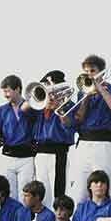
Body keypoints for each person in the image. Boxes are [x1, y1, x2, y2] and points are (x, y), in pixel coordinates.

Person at [68, 55, 111, 203]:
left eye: (92, 71)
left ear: (102, 72)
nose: (89, 75)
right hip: (83, 143)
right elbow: (78, 118)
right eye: (86, 71)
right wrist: (86, 96)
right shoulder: (83, 92)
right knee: (79, 191)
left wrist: (101, 90)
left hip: (103, 144)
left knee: (103, 190)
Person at [32, 70, 77, 208]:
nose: (47, 89)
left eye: (50, 85)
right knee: (41, 190)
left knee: (58, 190)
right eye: (45, 85)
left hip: (57, 152)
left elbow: (69, 125)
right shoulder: (40, 106)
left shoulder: (68, 104)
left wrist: (58, 106)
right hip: (40, 152)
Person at [0, 75, 36, 199]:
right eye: (4, 91)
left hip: (27, 156)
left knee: (26, 194)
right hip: (8, 156)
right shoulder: (1, 110)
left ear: (17, 89)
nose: (5, 94)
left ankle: (25, 218)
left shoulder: (32, 106)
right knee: (9, 194)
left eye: (8, 91)